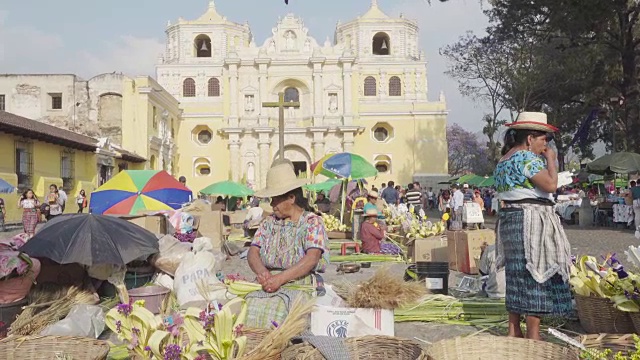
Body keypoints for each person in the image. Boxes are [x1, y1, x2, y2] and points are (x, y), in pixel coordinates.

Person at [493, 112, 572, 340]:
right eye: (543, 140)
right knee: (536, 273)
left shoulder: (504, 159)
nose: (545, 145)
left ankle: (513, 329)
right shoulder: (526, 158)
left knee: (516, 274)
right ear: (529, 139)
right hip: (530, 220)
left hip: (510, 219)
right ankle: (533, 335)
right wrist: (552, 160)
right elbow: (550, 185)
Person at [247, 162, 329, 328]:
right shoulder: (268, 223)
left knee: (277, 311)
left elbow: (312, 258)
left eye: (275, 199)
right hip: (268, 280)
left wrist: (281, 279)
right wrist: (262, 272)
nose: (272, 205)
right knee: (247, 306)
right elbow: (253, 251)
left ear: (291, 198)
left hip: (298, 281)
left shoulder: (312, 222)